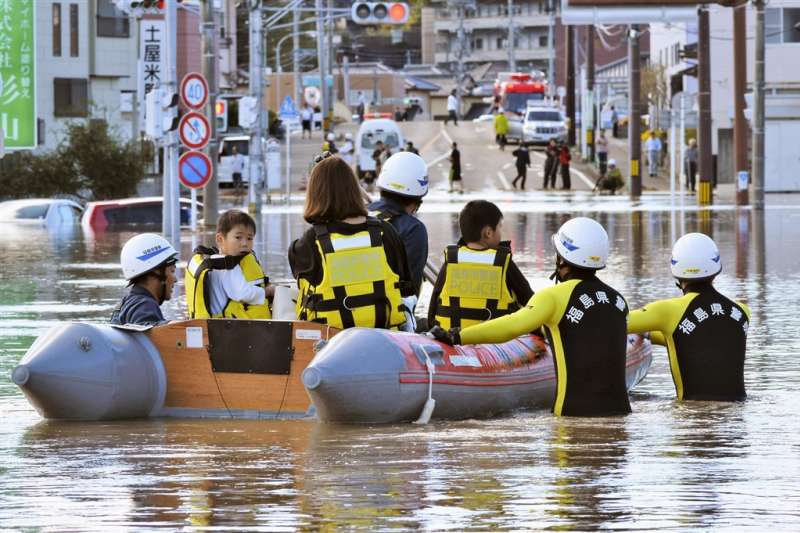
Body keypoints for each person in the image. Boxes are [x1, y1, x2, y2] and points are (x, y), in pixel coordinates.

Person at [431, 217, 632, 417]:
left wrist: (458, 336)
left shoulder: (553, 297)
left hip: (573, 416)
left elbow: (512, 326)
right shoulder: (618, 300)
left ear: (561, 258)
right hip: (621, 419)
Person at [289, 155, 415, 329]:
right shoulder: (385, 232)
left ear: (315, 193)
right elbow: (407, 289)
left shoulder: (308, 243)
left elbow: (303, 288)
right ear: (354, 191)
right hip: (384, 340)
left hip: (331, 345)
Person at [627, 233, 749, 401]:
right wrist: (650, 335)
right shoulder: (741, 312)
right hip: (737, 416)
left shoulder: (666, 311)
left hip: (691, 418)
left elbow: (615, 321)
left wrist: (643, 333)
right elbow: (700, 340)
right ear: (716, 268)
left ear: (676, 270)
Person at [428, 200, 533, 330]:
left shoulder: (452, 259)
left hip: (452, 338)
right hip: (496, 342)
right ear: (488, 233)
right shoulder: (503, 262)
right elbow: (531, 302)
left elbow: (434, 303)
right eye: (500, 227)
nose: (501, 232)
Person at [185, 210, 273, 319]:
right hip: (231, 328)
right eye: (238, 237)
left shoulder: (215, 262)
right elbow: (242, 294)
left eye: (249, 238)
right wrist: (267, 291)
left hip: (218, 325)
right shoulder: (227, 266)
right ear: (220, 239)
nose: (245, 243)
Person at [369, 151, 429, 295]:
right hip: (390, 313)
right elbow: (409, 290)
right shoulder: (413, 229)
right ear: (417, 201)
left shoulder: (359, 214)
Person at [111, 233, 179, 326]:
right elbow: (146, 329)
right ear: (157, 272)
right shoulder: (144, 304)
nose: (175, 279)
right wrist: (183, 326)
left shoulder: (129, 301)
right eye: (172, 271)